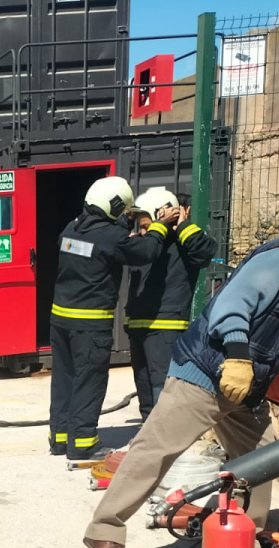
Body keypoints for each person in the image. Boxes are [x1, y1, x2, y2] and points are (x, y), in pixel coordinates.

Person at [83, 221, 279, 548]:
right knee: (158, 447)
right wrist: (237, 356)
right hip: (208, 371)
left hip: (246, 387)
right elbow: (232, 304)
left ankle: (245, 541)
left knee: (261, 460)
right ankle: (104, 529)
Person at [48, 176, 177, 459]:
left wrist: (122, 227)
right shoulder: (111, 237)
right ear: (115, 205)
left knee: (64, 379)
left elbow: (98, 247)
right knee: (89, 382)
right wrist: (159, 225)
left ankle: (60, 439)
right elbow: (146, 252)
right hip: (90, 325)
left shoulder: (71, 229)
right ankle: (83, 444)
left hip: (60, 321)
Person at [124, 187, 218, 420]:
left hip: (165, 327)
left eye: (147, 226)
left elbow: (205, 252)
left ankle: (164, 434)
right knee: (144, 387)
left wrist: (183, 226)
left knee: (162, 388)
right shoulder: (146, 244)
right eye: (141, 227)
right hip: (138, 325)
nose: (143, 231)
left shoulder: (182, 243)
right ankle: (148, 431)